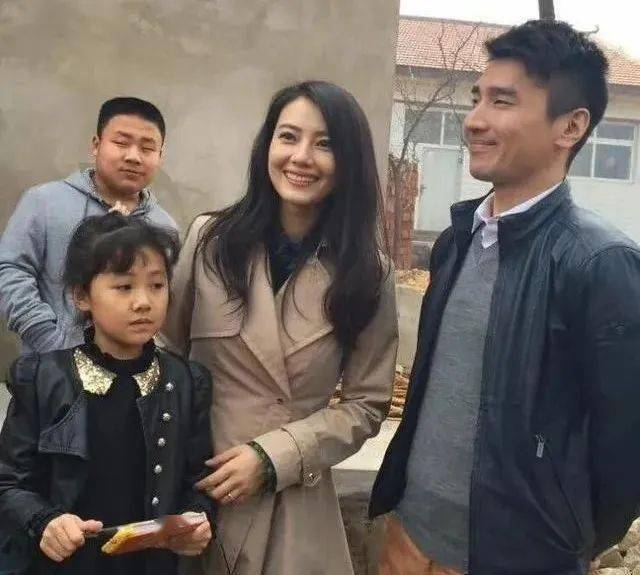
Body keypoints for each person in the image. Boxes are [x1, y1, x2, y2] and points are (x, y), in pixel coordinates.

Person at [370, 19, 640, 575]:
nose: (474, 119)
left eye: (502, 101)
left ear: (571, 126)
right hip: (408, 537)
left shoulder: (599, 263)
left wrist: (562, 543)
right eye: (477, 98)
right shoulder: (457, 240)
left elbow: (625, 446)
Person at [161, 80, 399, 574]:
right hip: (192, 491)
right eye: (288, 136)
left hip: (291, 499)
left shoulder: (367, 272)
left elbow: (366, 403)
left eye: (325, 144)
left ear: (349, 160)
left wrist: (275, 458)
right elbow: (164, 353)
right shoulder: (210, 240)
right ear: (267, 144)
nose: (301, 157)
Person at [0, 214, 213, 575]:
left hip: (150, 566)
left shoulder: (186, 381)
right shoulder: (43, 378)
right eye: (124, 287)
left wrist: (197, 520)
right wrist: (45, 521)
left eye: (157, 285)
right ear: (82, 296)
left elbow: (198, 480)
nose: (143, 302)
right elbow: (9, 481)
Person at [0, 96, 177, 354]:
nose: (133, 157)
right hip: (52, 365)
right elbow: (10, 270)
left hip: (135, 370)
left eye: (147, 148)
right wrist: (48, 340)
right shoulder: (45, 202)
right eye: (121, 143)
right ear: (96, 144)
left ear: (160, 156)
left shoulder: (164, 226)